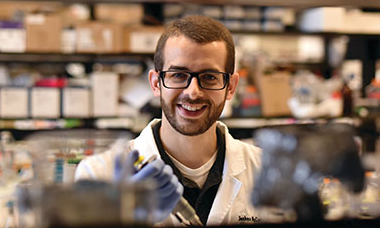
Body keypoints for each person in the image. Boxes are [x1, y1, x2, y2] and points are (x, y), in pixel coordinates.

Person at [75, 15, 267, 226]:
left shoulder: (264, 170)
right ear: (156, 83)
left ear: (230, 86)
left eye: (209, 77)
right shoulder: (98, 174)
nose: (193, 92)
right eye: (178, 75)